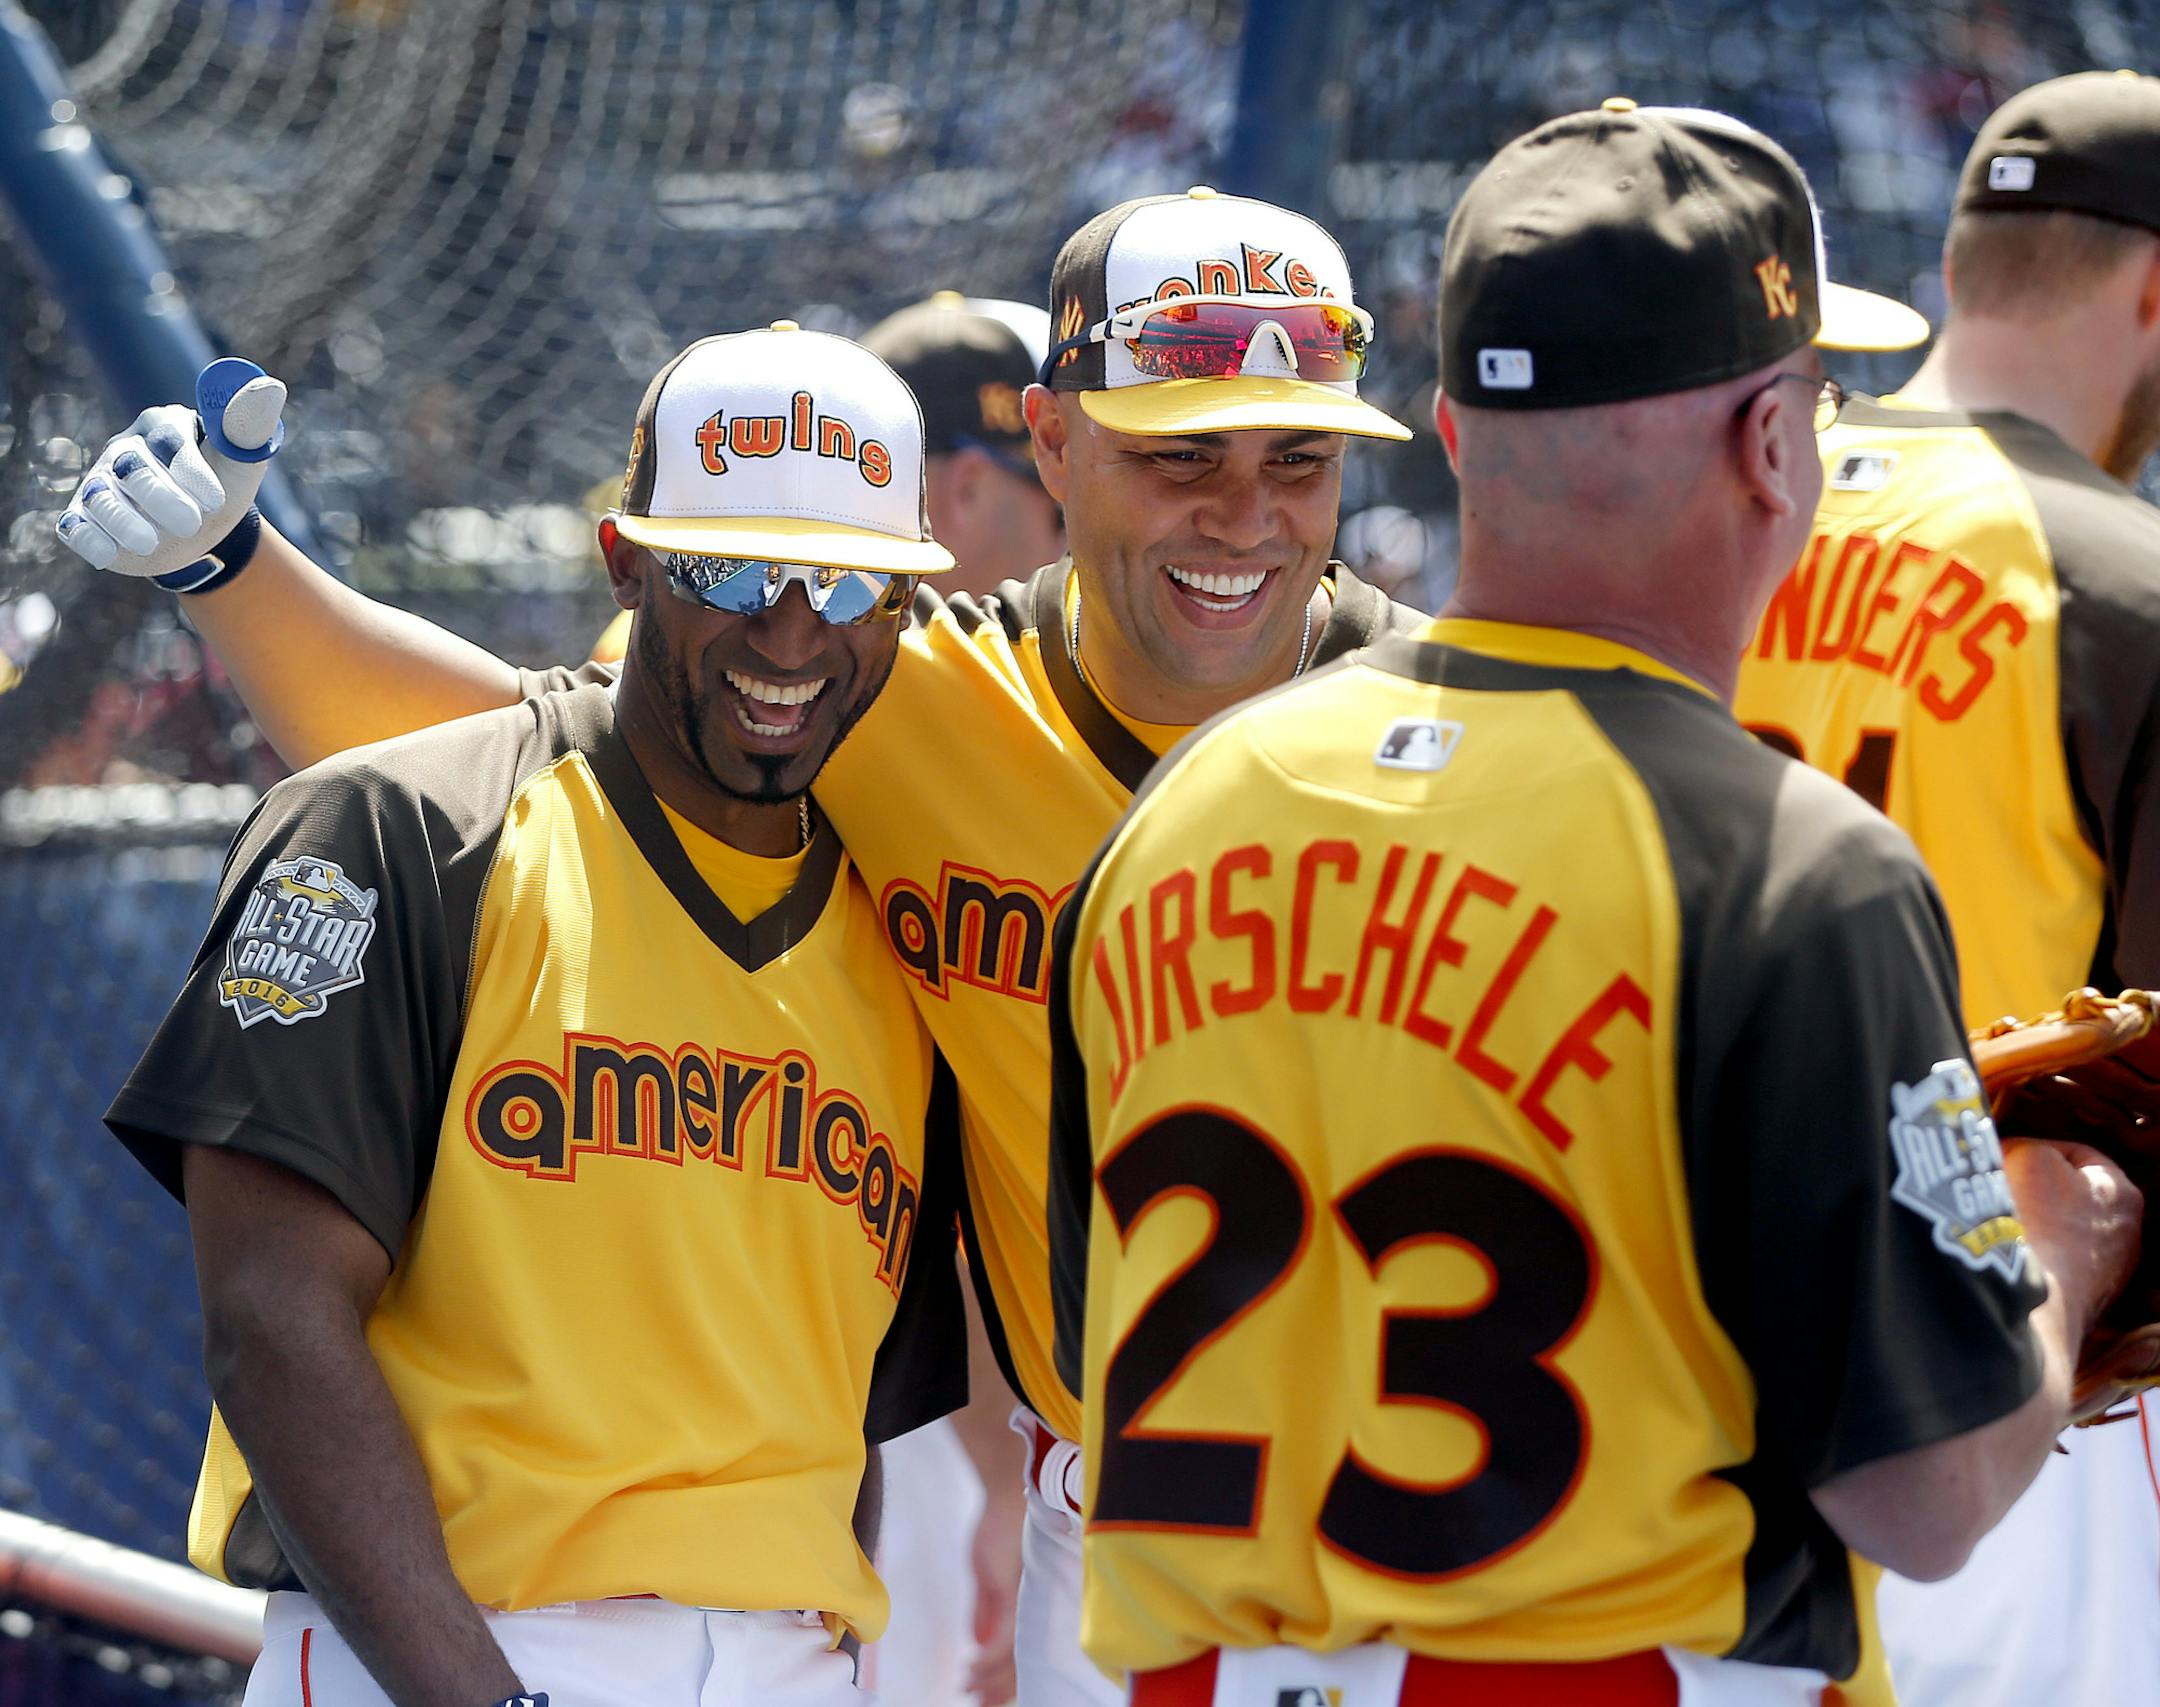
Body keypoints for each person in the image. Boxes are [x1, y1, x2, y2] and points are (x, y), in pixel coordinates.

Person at [58, 185, 1422, 1707]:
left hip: (1459, 1497)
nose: (1241, 514)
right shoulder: (893, 698)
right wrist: (235, 572)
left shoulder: (1464, 744)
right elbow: (509, 760)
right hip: (1114, 1534)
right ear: (1055, 440)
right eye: (1180, 454)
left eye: (1300, 456)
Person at [1044, 102, 2142, 1706]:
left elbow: (1098, 1357)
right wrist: (2063, 1240)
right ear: (1777, 445)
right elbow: (1928, 1497)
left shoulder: (1182, 813)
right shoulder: (1791, 865)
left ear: (1455, 430)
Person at [91, 325, 967, 1706]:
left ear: (905, 605)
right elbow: (270, 1318)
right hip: (448, 1654)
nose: (792, 632)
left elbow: (838, 1431)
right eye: (729, 571)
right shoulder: (401, 826)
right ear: (625, 562)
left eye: (849, 581)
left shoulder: (904, 940)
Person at [1729, 69, 2160, 1707]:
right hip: (2012, 1388)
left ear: (1962, 258)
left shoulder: (1738, 504)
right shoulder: (2119, 580)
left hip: (1689, 1355)